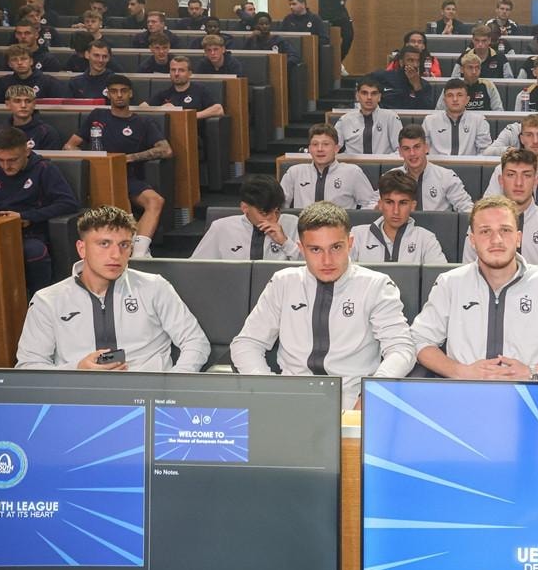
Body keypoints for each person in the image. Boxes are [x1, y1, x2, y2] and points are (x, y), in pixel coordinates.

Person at [231, 201, 415, 404]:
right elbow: (247, 343)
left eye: (336, 247)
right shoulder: (283, 283)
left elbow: (401, 349)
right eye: (315, 250)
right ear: (301, 248)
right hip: (290, 400)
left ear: (350, 243)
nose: (327, 261)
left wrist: (373, 393)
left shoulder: (376, 285)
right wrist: (269, 389)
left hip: (353, 401)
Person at [411, 196, 538, 380]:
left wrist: (534, 372)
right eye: (485, 231)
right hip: (464, 392)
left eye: (505, 230)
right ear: (472, 240)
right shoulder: (450, 283)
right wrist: (461, 372)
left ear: (518, 238)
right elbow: (419, 340)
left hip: (530, 394)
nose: (496, 240)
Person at [16, 205, 210, 371]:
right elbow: (29, 365)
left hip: (148, 395)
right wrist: (77, 370)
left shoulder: (154, 287)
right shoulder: (48, 300)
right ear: (82, 248)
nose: (116, 255)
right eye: (104, 244)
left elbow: (195, 341)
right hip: (80, 396)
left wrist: (175, 383)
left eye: (124, 245)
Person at [64, 76, 171, 257]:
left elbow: (166, 150)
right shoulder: (97, 116)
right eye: (114, 91)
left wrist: (129, 158)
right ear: (108, 94)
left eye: (123, 91)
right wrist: (92, 160)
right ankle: (133, 250)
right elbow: (69, 146)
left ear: (131, 93)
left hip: (128, 177)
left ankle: (138, 253)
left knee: (156, 200)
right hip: (99, 176)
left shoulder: (143, 122)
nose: (119, 95)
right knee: (120, 202)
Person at [0, 127, 79, 295]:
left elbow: (68, 203)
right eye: (0, 160)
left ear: (26, 151)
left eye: (12, 160)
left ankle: (39, 302)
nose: (6, 166)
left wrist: (27, 217)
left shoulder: (44, 169)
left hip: (30, 233)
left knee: (34, 252)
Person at [462, 150, 538, 265]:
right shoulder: (480, 225)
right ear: (501, 180)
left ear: (535, 181)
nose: (519, 183)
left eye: (526, 175)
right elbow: (468, 272)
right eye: (511, 175)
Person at [191, 174, 301, 260]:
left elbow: (308, 267)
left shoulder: (293, 224)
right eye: (264, 213)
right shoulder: (221, 228)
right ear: (245, 208)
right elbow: (195, 267)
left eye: (277, 211)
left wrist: (285, 242)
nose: (273, 219)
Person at [350, 170, 447, 264]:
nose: (396, 211)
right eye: (389, 202)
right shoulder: (357, 235)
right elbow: (343, 272)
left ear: (413, 206)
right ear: (380, 204)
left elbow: (440, 274)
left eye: (403, 203)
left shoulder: (426, 239)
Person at [279, 124, 377, 209]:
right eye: (315, 144)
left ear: (336, 149)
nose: (320, 149)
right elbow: (279, 205)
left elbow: (370, 203)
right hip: (302, 224)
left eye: (326, 144)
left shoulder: (353, 172)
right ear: (310, 149)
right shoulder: (294, 172)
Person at [393, 125, 473, 212]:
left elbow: (467, 208)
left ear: (426, 148)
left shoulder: (446, 177)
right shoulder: (392, 178)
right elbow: (381, 208)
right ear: (400, 152)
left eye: (417, 147)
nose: (412, 153)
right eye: (406, 148)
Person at [423, 79, 493, 156]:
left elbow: (484, 152)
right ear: (444, 100)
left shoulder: (479, 121)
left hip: (470, 163)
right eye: (450, 95)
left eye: (459, 95)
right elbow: (423, 151)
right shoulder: (429, 121)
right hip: (436, 163)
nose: (455, 99)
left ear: (467, 100)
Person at [334, 76, 401, 155]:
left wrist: (383, 160)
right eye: (364, 93)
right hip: (351, 162)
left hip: (384, 162)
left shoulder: (391, 117)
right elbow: (332, 148)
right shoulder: (345, 120)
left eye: (374, 93)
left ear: (379, 97)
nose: (369, 97)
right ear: (357, 96)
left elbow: (401, 150)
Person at [144, 55, 223, 119]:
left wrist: (189, 116)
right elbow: (143, 108)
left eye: (181, 70)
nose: (176, 74)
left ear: (189, 73)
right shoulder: (164, 93)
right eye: (173, 70)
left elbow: (218, 109)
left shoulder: (200, 90)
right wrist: (161, 110)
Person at [0, 85, 62, 151]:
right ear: (8, 104)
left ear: (34, 104)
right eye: (17, 101)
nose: (23, 105)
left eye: (28, 101)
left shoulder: (47, 133)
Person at [0, 45, 64, 102]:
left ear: (31, 61)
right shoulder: (4, 82)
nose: (19, 63)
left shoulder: (49, 82)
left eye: (23, 59)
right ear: (9, 64)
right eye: (14, 60)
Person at [380, 46, 433, 110]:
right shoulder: (384, 77)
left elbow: (427, 109)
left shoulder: (425, 85)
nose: (415, 65)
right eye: (410, 60)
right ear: (401, 62)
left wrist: (417, 85)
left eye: (418, 61)